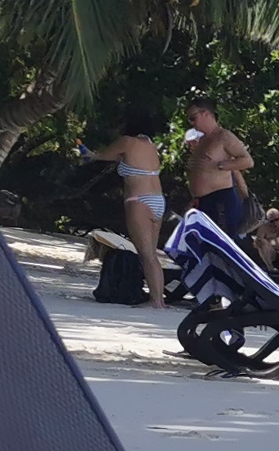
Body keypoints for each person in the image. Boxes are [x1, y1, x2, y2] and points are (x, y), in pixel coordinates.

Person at [84, 111, 169, 305]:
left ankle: (156, 302)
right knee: (152, 254)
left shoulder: (127, 142)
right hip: (158, 200)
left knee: (146, 254)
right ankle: (158, 299)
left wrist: (88, 154)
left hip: (139, 200)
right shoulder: (151, 146)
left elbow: (103, 155)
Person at [182, 99, 254, 238]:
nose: (192, 123)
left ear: (206, 114)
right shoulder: (202, 141)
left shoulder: (224, 136)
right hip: (202, 201)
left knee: (222, 241)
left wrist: (223, 165)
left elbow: (247, 160)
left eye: (193, 118)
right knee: (205, 241)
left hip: (220, 199)